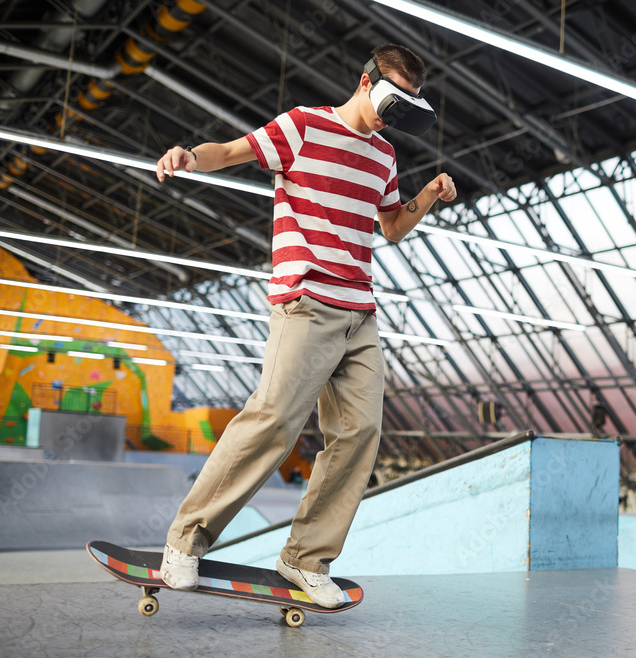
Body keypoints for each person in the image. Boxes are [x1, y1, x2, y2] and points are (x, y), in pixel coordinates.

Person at [153, 44, 455, 607]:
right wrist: (191, 157)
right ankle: (184, 542)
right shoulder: (303, 127)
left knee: (360, 433)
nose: (397, 114)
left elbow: (390, 227)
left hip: (360, 312)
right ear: (365, 83)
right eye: (394, 99)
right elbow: (233, 151)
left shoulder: (384, 156)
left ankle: (305, 559)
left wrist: (428, 197)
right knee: (273, 422)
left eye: (409, 106)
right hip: (306, 301)